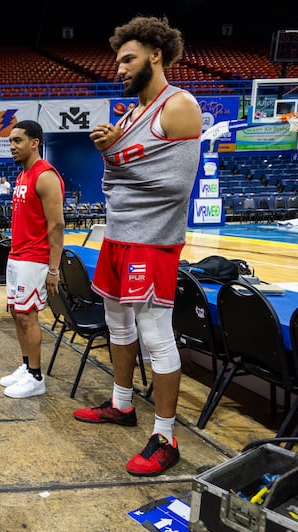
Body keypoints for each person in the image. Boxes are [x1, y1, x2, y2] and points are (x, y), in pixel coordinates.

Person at [73, 16, 202, 477]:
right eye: (118, 61)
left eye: (128, 59)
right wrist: (112, 151)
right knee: (117, 325)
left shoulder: (179, 107)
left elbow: (173, 186)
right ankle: (122, 405)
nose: (120, 69)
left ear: (156, 55)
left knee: (155, 338)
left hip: (152, 242)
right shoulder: (130, 117)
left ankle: (165, 437)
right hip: (117, 235)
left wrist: (116, 159)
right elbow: (116, 181)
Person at [0, 120, 65, 399]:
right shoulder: (22, 176)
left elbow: (57, 225)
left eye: (18, 141)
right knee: (17, 313)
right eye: (11, 141)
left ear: (35, 142)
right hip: (17, 255)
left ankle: (37, 378)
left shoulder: (45, 176)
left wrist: (53, 268)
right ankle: (27, 367)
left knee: (28, 316)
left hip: (34, 258)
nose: (12, 146)